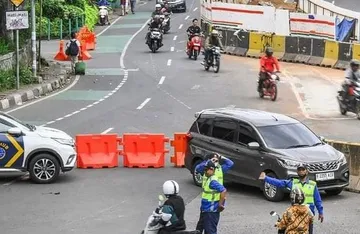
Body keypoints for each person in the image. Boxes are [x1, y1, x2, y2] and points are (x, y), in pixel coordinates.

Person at [259, 164, 324, 234]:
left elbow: (317, 200)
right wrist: (266, 178)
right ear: (297, 172)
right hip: (296, 213)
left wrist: (321, 212)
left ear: (307, 171)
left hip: (307, 214)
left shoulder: (312, 184)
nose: (301, 171)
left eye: (303, 170)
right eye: (299, 170)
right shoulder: (293, 183)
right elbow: (280, 183)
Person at [194, 153, 234, 233]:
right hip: (205, 205)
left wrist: (221, 157)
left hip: (212, 205)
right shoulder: (205, 168)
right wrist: (208, 162)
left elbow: (230, 163)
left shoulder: (220, 169)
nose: (215, 162)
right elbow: (198, 168)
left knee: (210, 229)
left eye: (217, 160)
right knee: (200, 227)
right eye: (213, 159)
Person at [198, 160, 227, 234]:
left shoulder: (212, 181)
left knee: (210, 231)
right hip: (207, 210)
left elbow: (223, 191)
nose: (204, 171)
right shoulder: (210, 178)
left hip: (210, 211)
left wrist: (220, 204)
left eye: (206, 170)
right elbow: (198, 168)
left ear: (211, 169)